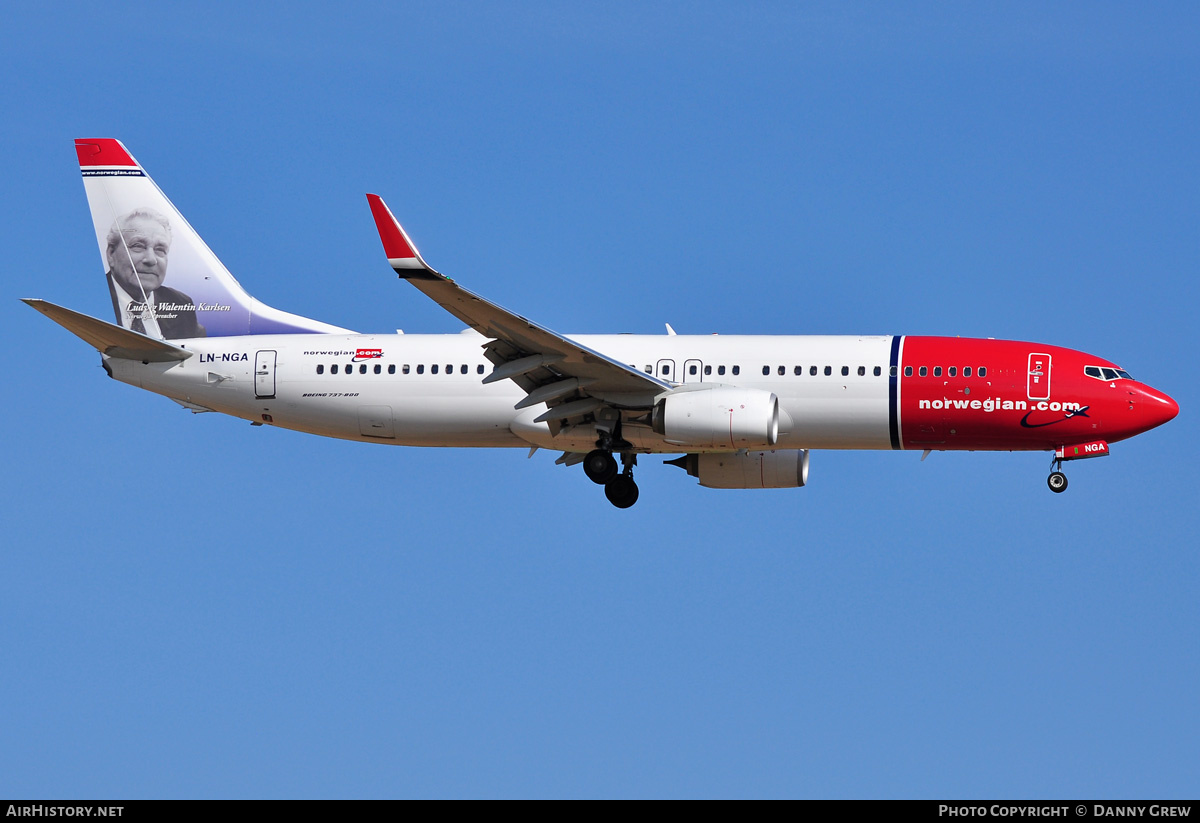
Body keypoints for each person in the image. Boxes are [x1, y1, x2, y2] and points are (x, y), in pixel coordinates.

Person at [106, 207, 206, 338]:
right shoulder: (95, 298)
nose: (151, 259)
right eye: (138, 246)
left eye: (160, 249)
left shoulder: (180, 304)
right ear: (111, 254)